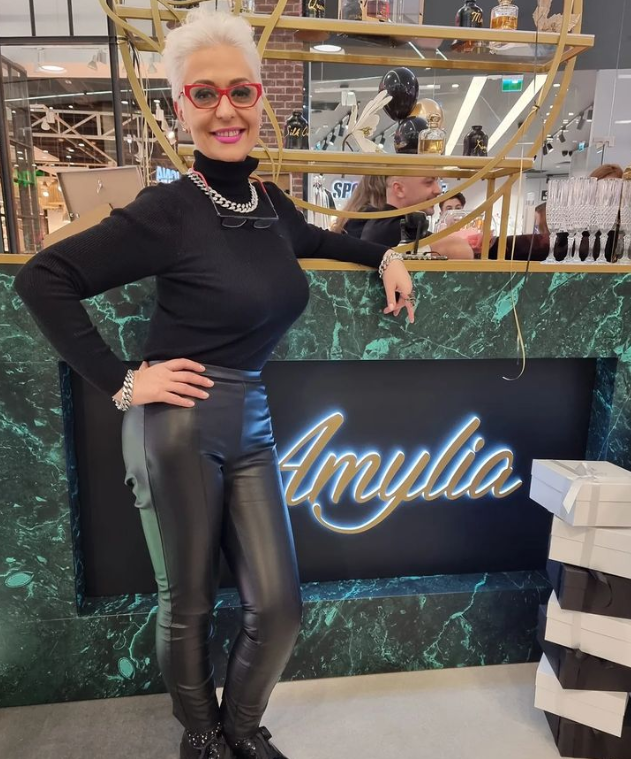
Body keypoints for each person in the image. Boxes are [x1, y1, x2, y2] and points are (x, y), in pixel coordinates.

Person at [12, 9, 415, 759]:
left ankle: (240, 727)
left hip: (251, 420)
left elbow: (325, 240)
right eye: (204, 94)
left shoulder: (271, 205)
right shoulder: (168, 209)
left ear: (260, 99)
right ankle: (201, 735)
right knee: (188, 603)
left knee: (280, 605)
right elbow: (43, 278)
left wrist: (387, 256)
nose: (225, 109)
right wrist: (122, 382)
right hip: (177, 424)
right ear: (180, 108)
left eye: (240, 91)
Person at [361, 175, 474, 259]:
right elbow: (462, 250)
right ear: (399, 189)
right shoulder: (392, 228)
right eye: (429, 182)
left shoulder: (380, 223)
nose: (438, 190)